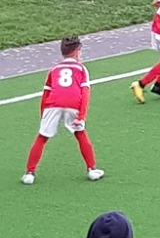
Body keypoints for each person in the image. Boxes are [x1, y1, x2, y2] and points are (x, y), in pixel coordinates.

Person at [22, 36, 104, 185]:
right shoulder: (81, 69)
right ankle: (92, 169)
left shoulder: (54, 69)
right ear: (77, 51)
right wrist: (81, 116)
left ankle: (29, 173)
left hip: (52, 103)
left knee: (42, 137)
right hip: (73, 103)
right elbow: (85, 93)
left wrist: (43, 114)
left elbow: (46, 93)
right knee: (80, 134)